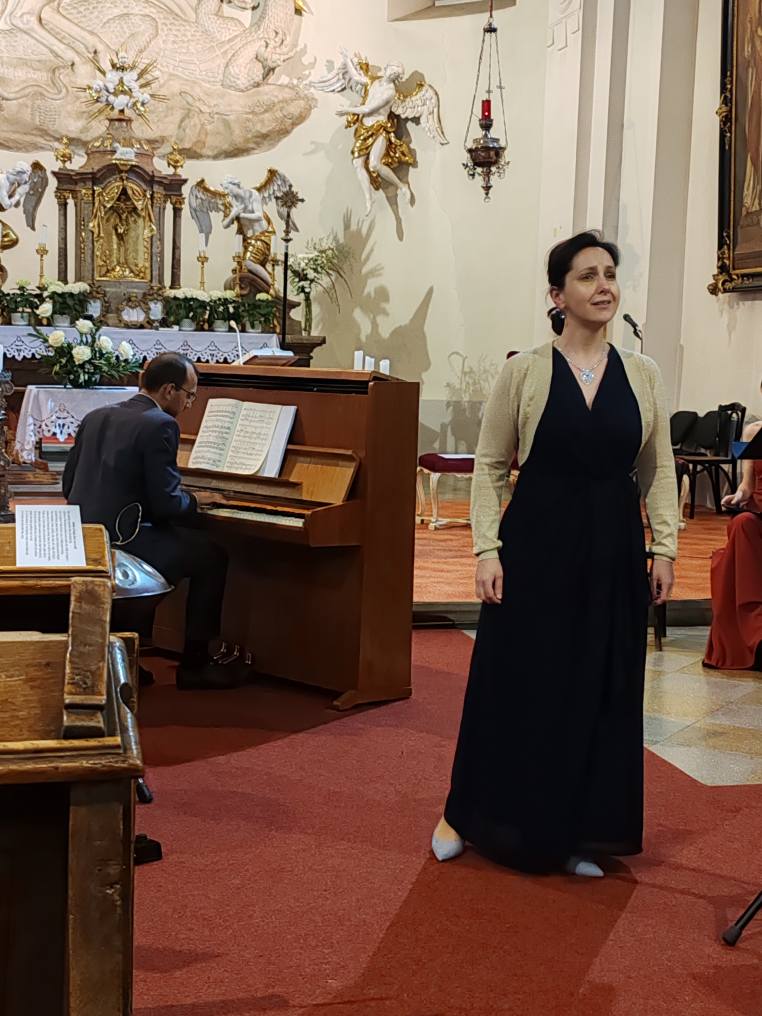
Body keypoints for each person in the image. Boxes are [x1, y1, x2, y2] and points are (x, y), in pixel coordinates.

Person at [431, 231, 679, 877]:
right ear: (557, 294)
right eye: (587, 276)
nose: (604, 286)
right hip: (537, 544)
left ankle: (578, 831)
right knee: (518, 681)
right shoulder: (525, 371)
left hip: (613, 549)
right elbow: (490, 465)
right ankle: (468, 815)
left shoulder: (644, 374)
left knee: (597, 686)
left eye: (610, 274)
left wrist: (664, 547)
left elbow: (658, 468)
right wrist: (487, 549)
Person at [62, 351, 237, 690]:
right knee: (212, 556)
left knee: (180, 539)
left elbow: (68, 486)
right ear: (169, 390)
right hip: (127, 542)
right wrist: (195, 500)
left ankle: (128, 656)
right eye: (190, 395)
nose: (189, 404)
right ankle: (196, 665)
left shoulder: (96, 416)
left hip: (88, 539)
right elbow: (167, 505)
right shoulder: (160, 424)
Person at [704, 419, 762, 669]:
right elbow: (747, 486)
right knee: (741, 523)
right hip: (759, 513)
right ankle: (755, 637)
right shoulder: (754, 431)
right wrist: (737, 496)